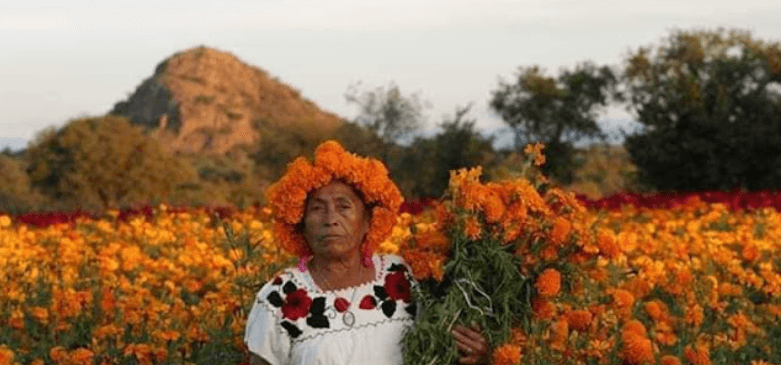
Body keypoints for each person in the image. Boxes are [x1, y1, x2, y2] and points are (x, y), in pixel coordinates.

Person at [245, 141, 490, 365]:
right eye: (317, 209)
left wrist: (476, 355)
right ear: (300, 224)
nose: (331, 219)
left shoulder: (403, 277)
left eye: (344, 207)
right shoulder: (278, 297)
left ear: (368, 221)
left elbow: (443, 347)